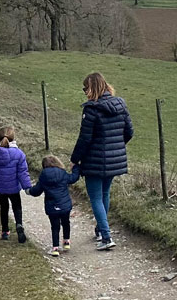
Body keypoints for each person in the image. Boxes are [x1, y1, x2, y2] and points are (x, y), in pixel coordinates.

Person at [70, 72, 133, 251]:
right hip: (114, 160)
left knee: (96, 197)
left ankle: (106, 236)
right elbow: (129, 131)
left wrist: (75, 160)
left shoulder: (91, 109)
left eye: (85, 88)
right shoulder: (120, 104)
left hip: (94, 161)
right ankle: (100, 229)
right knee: (104, 194)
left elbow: (84, 139)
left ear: (92, 88)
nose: (84, 92)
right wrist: (116, 147)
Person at [0, 125, 31, 243]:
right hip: (14, 187)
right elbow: (22, 173)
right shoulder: (19, 154)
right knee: (17, 206)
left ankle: (5, 231)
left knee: (4, 208)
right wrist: (27, 187)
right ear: (14, 138)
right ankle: (19, 224)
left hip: (1, 188)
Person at [28, 155, 81, 256]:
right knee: (66, 222)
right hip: (65, 205)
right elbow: (73, 178)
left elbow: (37, 191)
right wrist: (76, 167)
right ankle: (66, 241)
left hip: (52, 206)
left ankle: (55, 248)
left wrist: (29, 191)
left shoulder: (44, 175)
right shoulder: (62, 173)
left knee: (55, 226)